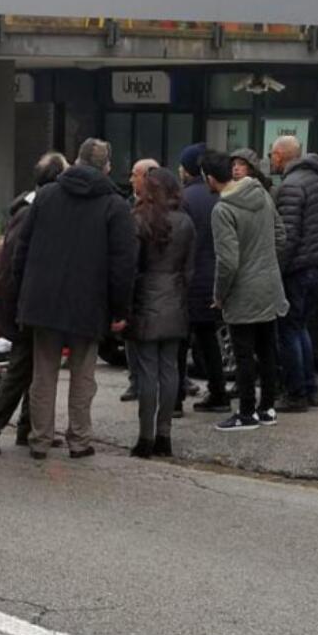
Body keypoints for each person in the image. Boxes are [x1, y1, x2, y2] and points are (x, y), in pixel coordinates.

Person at [12, 138, 138, 460]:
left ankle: (39, 439)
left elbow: (21, 249)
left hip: (43, 301)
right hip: (89, 302)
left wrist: (22, 293)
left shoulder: (46, 196)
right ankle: (79, 440)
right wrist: (119, 308)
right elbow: (123, 263)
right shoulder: (115, 205)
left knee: (43, 374)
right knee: (83, 375)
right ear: (106, 166)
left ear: (76, 160)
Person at [0, 152, 69, 456]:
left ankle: (28, 429)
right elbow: (15, 266)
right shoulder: (32, 211)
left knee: (37, 368)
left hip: (30, 303)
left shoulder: (34, 207)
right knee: (21, 371)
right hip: (24, 305)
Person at [203, 152, 288, 431]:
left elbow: (227, 261)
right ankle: (268, 408)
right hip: (270, 285)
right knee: (267, 350)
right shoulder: (262, 193)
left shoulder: (222, 209)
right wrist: (266, 263)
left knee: (243, 354)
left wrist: (219, 295)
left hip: (242, 290)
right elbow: (280, 235)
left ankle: (247, 412)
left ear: (210, 178)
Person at [128, 167, 196, 459]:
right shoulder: (186, 223)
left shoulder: (139, 220)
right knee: (170, 370)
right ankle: (164, 434)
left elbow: (131, 267)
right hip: (176, 299)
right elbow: (190, 269)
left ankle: (145, 436)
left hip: (146, 300)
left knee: (146, 372)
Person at [268, 135, 318, 412]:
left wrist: (277, 271)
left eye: (272, 154)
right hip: (317, 265)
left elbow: (288, 235)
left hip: (296, 268)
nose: (270, 159)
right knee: (301, 328)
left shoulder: (291, 186)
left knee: (288, 331)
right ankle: (309, 389)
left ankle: (295, 392)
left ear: (282, 155)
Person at [181, 145, 230, 414]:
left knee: (179, 340)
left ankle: (174, 399)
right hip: (215, 278)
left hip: (191, 278)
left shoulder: (185, 197)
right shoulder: (222, 197)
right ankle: (219, 391)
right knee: (209, 339)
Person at [121, 157, 161, 402]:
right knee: (131, 336)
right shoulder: (128, 206)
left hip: (150, 280)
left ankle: (146, 382)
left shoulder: (162, 210)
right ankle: (135, 381)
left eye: (134, 174)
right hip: (138, 282)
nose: (130, 179)